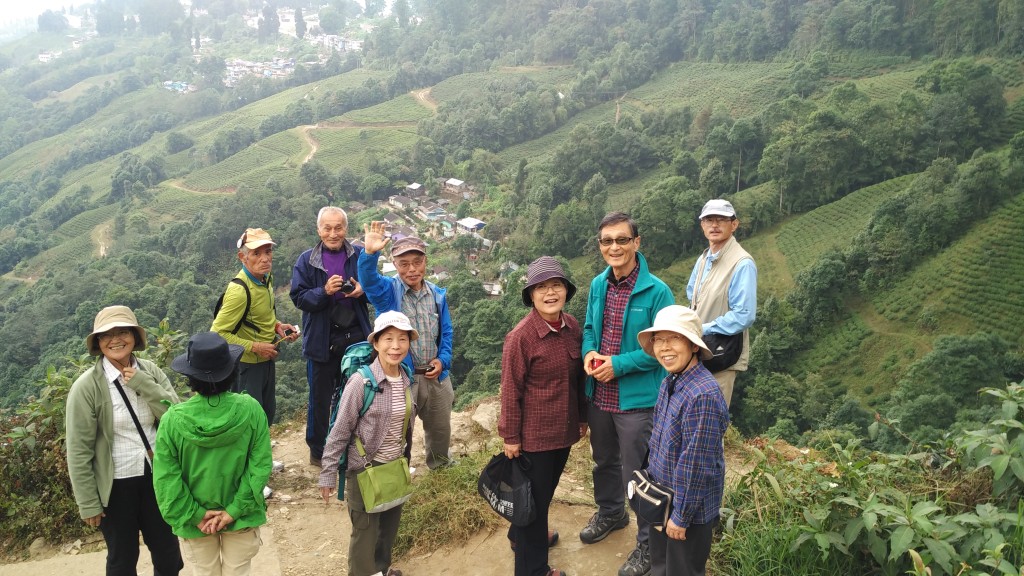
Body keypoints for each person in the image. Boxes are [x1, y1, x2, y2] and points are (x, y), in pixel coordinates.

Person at [581, 212, 674, 576]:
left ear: (637, 243)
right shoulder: (598, 285)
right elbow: (589, 328)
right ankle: (610, 513)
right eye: (607, 241)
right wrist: (590, 353)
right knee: (604, 461)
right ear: (600, 246)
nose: (614, 247)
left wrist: (617, 365)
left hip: (636, 400)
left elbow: (664, 346)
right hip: (599, 396)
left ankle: (648, 545)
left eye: (622, 240)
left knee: (640, 474)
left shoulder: (657, 291)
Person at [65, 305, 184, 576]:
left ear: (135, 336)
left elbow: (176, 418)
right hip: (115, 486)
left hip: (158, 477)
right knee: (122, 559)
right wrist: (88, 502)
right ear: (97, 342)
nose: (115, 339)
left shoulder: (150, 371)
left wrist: (144, 384)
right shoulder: (86, 387)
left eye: (123, 332)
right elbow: (78, 450)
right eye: (106, 335)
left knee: (168, 552)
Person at [153, 331, 273, 576]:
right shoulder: (251, 410)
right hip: (241, 517)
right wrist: (233, 512)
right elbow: (259, 466)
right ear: (231, 371)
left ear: (190, 377)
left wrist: (195, 515)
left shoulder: (173, 420)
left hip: (197, 523)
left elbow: (166, 478)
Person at [500, 256, 587, 576]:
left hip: (563, 431)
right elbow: (510, 389)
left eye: (556, 286)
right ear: (531, 296)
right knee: (533, 506)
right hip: (534, 437)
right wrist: (510, 435)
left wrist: (582, 417)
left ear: (565, 291)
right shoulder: (521, 337)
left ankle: (519, 535)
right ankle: (533, 568)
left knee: (542, 494)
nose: (550, 293)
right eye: (541, 288)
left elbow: (579, 377)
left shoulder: (572, 327)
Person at [319, 311, 418, 576]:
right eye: (388, 339)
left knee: (387, 533)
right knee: (364, 538)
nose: (395, 346)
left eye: (402, 339)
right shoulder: (361, 382)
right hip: (364, 470)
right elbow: (340, 431)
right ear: (375, 343)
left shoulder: (406, 377)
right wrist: (328, 473)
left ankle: (381, 572)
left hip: (394, 468)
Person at [636, 306, 729, 576]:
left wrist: (681, 516)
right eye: (659, 340)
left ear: (693, 346)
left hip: (687, 512)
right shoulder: (670, 382)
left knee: (682, 570)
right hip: (663, 499)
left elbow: (696, 465)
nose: (665, 348)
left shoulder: (702, 395)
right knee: (661, 566)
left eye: (674, 339)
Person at [358, 221, 455, 469]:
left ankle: (440, 469)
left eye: (417, 262)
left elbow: (446, 332)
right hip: (402, 377)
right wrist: (369, 254)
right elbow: (368, 282)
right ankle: (398, 473)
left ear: (425, 262)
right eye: (403, 264)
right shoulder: (389, 292)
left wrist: (442, 360)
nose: (412, 269)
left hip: (436, 376)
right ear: (395, 265)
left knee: (440, 428)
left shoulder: (437, 295)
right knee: (399, 432)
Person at [290, 207, 372, 467]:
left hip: (356, 337)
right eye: (327, 228)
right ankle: (318, 450)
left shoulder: (358, 255)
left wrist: (362, 291)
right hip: (322, 339)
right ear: (319, 230)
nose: (333, 233)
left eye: (338, 227)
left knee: (358, 394)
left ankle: (354, 445)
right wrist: (324, 291)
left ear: (346, 229)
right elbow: (299, 298)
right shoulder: (306, 260)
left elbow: (377, 288)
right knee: (320, 398)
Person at [211, 227, 299, 425]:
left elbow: (259, 316)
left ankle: (261, 455)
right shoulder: (239, 290)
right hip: (247, 366)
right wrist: (255, 347)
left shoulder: (266, 278)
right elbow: (217, 333)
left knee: (266, 414)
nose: (265, 258)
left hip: (266, 360)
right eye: (256, 253)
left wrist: (277, 326)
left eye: (268, 251)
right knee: (249, 421)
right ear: (242, 257)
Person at [685, 199, 757, 407]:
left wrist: (701, 328)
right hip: (699, 349)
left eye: (721, 220)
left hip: (721, 353)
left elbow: (744, 315)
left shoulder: (742, 263)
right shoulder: (704, 258)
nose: (714, 225)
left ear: (734, 224)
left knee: (712, 420)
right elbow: (693, 295)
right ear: (702, 225)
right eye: (709, 220)